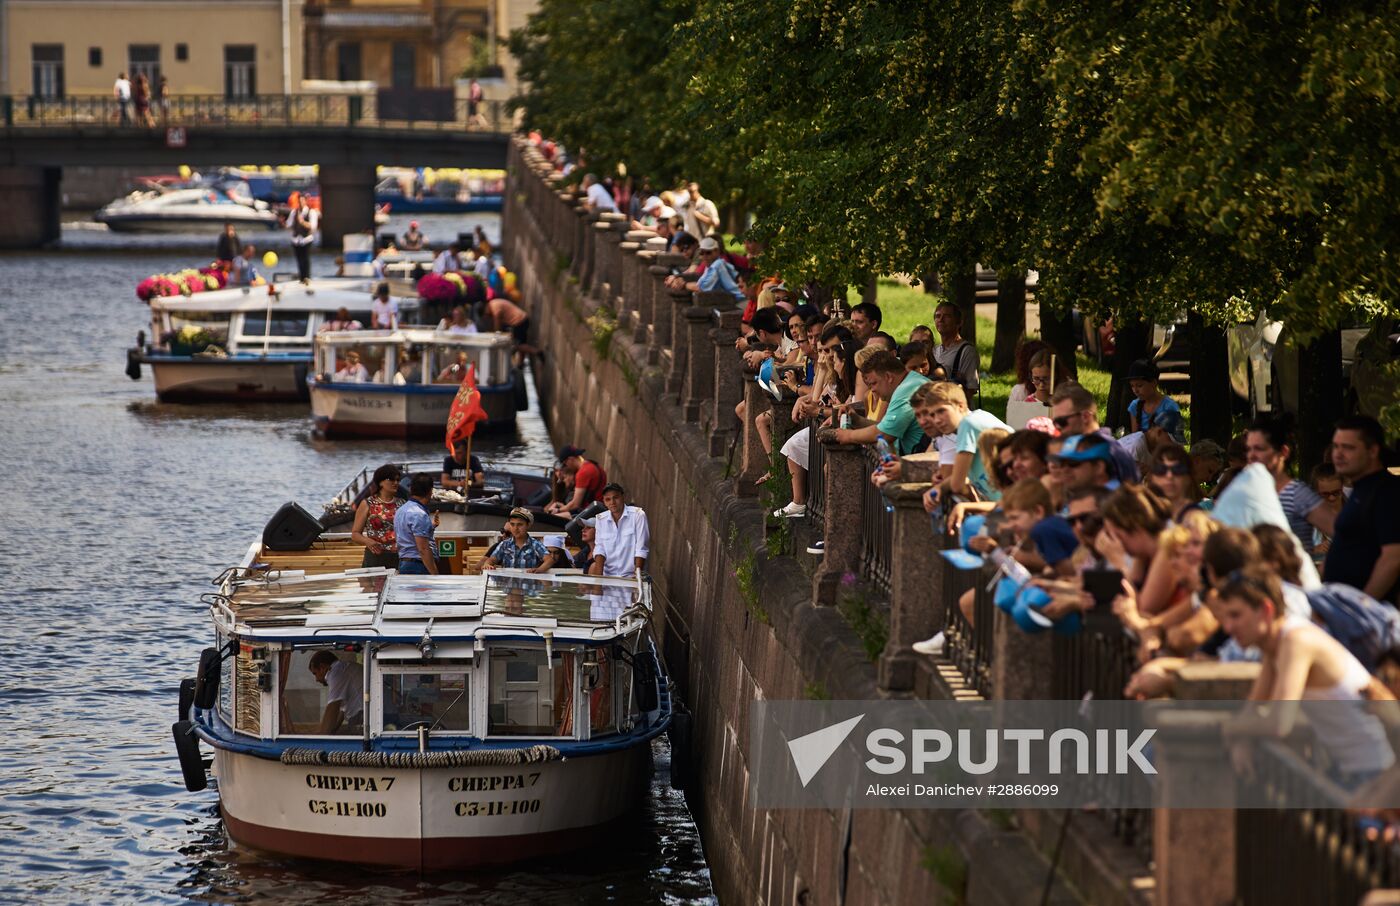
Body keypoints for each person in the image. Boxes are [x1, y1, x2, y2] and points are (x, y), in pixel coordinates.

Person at [1216, 564, 1395, 790]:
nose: (1228, 627)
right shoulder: (1274, 645)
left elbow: (1279, 723)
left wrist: (1232, 728)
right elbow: (1254, 707)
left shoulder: (1296, 640)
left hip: (1374, 773)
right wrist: (1241, 739)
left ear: (1266, 610)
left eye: (1235, 615)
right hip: (1350, 771)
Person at [1324, 416, 1400, 602]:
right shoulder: (1360, 490)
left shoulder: (1386, 491)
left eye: (1348, 447)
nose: (1338, 454)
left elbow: (1393, 557)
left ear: (1373, 450)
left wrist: (1363, 607)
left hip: (1364, 616)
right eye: (1336, 446)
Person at [1245, 413, 1336, 557]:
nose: (1251, 455)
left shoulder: (1298, 494)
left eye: (1259, 449)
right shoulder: (1244, 493)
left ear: (1283, 452)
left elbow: (1346, 538)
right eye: (1249, 449)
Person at [1049, 381, 1142, 483]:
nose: (1057, 427)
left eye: (1061, 421)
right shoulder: (1089, 448)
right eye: (1054, 422)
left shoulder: (1107, 452)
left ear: (1085, 416)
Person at [590, 483, 649, 577]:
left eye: (615, 497)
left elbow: (641, 549)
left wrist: (636, 579)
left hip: (630, 576)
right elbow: (600, 549)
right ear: (604, 502)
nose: (612, 502)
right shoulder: (600, 519)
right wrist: (598, 581)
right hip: (607, 576)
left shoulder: (638, 515)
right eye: (608, 499)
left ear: (623, 497)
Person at [351, 464, 402, 568]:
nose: (395, 482)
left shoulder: (402, 504)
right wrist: (367, 541)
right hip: (375, 557)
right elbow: (355, 534)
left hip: (399, 557)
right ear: (381, 482)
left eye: (397, 480)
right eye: (391, 479)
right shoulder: (367, 503)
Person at [305, 651, 364, 735]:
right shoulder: (345, 668)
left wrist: (320, 738)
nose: (316, 679)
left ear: (322, 667)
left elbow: (332, 708)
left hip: (361, 718)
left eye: (315, 673)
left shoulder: (336, 671)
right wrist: (331, 731)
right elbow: (341, 711)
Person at [1126, 359, 1185, 442]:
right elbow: (1135, 438)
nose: (1135, 390)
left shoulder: (1169, 407)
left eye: (1139, 385)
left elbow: (1177, 439)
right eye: (1132, 386)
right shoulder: (1135, 406)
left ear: (1154, 383)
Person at [393, 474, 439, 575]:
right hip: (418, 565)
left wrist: (430, 526)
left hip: (404, 562)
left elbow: (408, 534)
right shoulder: (419, 514)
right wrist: (435, 574)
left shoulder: (401, 510)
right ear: (430, 491)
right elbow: (423, 549)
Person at [481, 508, 552, 572]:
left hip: (528, 584)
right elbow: (492, 559)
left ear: (528, 525)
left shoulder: (535, 544)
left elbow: (549, 560)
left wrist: (539, 570)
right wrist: (487, 564)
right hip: (508, 584)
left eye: (520, 524)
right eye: (512, 524)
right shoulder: (504, 544)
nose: (515, 528)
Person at [931, 301, 979, 394]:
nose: (941, 319)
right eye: (937, 316)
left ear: (959, 323)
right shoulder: (935, 351)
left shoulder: (967, 351)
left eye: (947, 316)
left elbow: (971, 389)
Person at [548, 446, 607, 517]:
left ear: (570, 459)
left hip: (591, 513)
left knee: (551, 517)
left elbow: (575, 504)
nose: (566, 467)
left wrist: (558, 510)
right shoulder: (595, 465)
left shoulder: (582, 473)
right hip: (599, 508)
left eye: (565, 464)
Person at [290, 196, 318, 281]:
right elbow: (289, 224)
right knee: (299, 260)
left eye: (302, 201)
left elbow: (313, 227)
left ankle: (307, 277)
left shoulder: (311, 212)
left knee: (306, 259)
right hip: (296, 240)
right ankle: (301, 278)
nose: (300, 203)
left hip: (306, 239)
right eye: (299, 201)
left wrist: (302, 222)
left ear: (305, 201)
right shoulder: (294, 212)